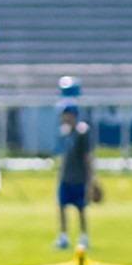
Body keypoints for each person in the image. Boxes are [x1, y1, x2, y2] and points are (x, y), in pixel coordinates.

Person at [54, 102, 94, 251]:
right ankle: (63, 236)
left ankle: (83, 236)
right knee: (61, 206)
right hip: (65, 177)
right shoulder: (64, 132)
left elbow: (87, 156)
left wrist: (90, 179)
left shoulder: (82, 132)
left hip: (79, 177)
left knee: (81, 208)